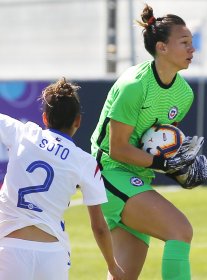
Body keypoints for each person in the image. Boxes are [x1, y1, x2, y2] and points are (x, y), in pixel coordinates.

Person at [90, 4, 207, 280]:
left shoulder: (184, 94)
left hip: (136, 178)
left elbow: (158, 143)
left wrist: (177, 166)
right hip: (108, 172)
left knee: (123, 275)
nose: (192, 49)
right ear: (162, 47)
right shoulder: (134, 85)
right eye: (185, 43)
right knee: (180, 231)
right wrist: (163, 163)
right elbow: (117, 149)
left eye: (192, 43)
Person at [0, 78, 125, 280]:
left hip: (10, 249)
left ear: (45, 119)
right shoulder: (85, 162)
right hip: (53, 256)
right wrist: (112, 265)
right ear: (78, 121)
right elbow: (99, 227)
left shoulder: (24, 133)